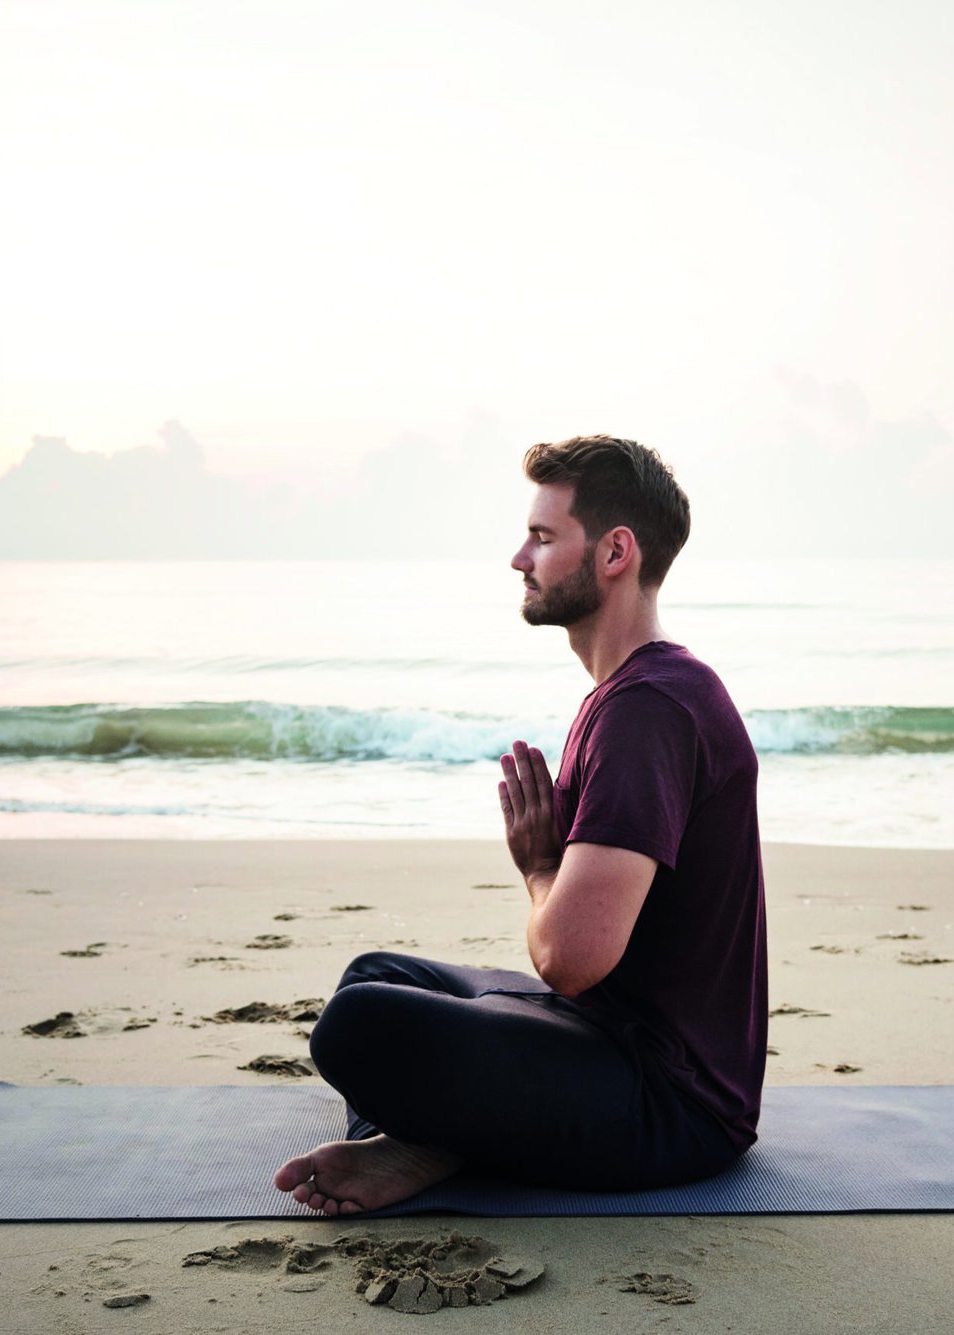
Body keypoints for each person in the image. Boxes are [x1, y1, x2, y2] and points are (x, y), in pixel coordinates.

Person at [272, 434, 768, 1215]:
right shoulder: (636, 692)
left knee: (358, 1027)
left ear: (614, 552)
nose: (519, 558)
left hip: (671, 1101)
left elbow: (571, 959)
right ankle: (428, 1140)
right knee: (375, 977)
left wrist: (539, 867)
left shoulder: (648, 709)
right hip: (605, 1035)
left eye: (542, 537)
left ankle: (431, 1140)